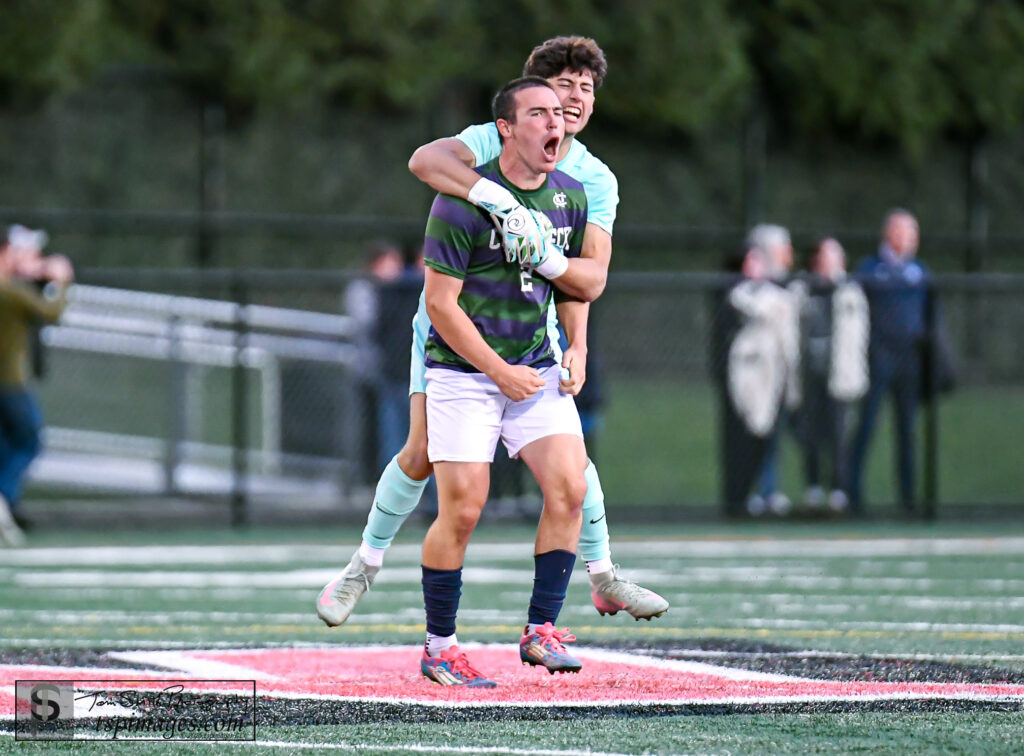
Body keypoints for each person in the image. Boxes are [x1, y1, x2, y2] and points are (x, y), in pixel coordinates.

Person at [317, 35, 667, 632]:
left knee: (569, 461)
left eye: (585, 90)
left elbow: (585, 277)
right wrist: (498, 200)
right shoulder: (490, 136)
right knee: (423, 454)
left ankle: (602, 575)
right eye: (561, 90)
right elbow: (425, 161)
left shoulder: (594, 180)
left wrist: (577, 346)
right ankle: (363, 565)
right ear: (527, 107)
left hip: (532, 328)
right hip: (453, 321)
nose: (574, 100)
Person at [419, 76, 590, 685]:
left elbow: (574, 285)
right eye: (538, 113)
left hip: (535, 367)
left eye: (558, 114)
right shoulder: (461, 199)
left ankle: (541, 631)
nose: (555, 123)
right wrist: (496, 371)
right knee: (463, 509)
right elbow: (441, 305)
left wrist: (579, 345)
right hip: (465, 374)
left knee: (570, 488)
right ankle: (440, 646)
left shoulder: (570, 196)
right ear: (505, 129)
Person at [847, 209, 928, 514]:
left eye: (913, 232)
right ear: (889, 233)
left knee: (907, 431)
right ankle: (852, 494)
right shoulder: (869, 269)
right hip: (876, 360)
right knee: (866, 426)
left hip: (909, 363)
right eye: (905, 231)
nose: (911, 238)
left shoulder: (919, 271)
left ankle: (909, 499)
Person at [0, 225, 73, 546]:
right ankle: (4, 497)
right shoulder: (9, 291)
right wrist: (59, 282)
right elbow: (51, 311)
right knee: (29, 440)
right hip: (10, 382)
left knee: (6, 445)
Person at [711, 244, 792, 516]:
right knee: (738, 440)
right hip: (740, 376)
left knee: (766, 436)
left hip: (770, 377)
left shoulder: (778, 300)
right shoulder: (730, 298)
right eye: (749, 261)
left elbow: (787, 342)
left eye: (758, 262)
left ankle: (767, 492)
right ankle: (739, 497)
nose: (753, 268)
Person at [791, 237, 869, 514]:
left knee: (839, 434)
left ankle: (839, 491)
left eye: (832, 257)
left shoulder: (850, 291)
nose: (827, 263)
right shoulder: (803, 290)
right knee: (809, 433)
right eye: (823, 257)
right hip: (809, 374)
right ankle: (812, 489)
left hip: (839, 376)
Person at [744, 224, 800, 516]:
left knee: (775, 436)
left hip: (781, 375)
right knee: (756, 434)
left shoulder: (790, 287)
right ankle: (752, 491)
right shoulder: (749, 290)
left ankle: (770, 489)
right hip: (755, 377)